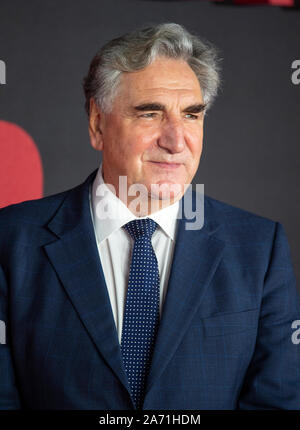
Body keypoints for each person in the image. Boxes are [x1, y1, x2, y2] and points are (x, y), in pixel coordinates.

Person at [0, 23, 299, 410]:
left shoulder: (259, 249)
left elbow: (276, 401)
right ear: (97, 124)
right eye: (150, 114)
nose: (176, 141)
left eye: (191, 115)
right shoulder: (11, 241)